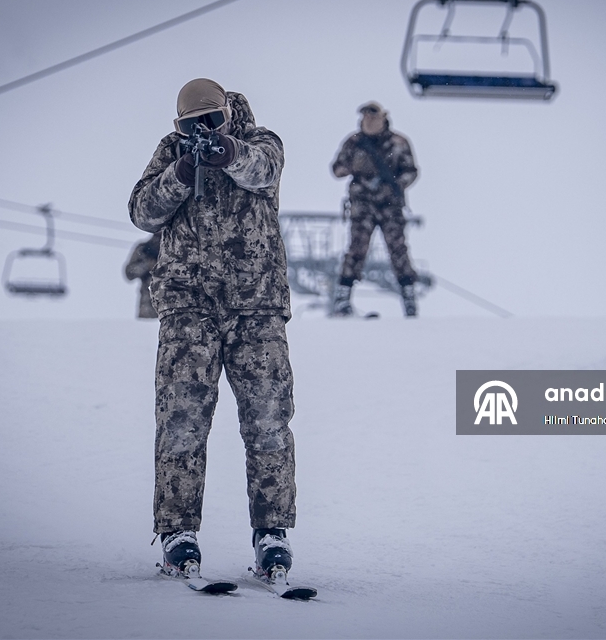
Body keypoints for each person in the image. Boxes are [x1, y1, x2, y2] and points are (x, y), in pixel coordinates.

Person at [128, 78, 298, 583]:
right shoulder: (170, 153)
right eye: (190, 125)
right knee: (181, 420)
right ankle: (178, 533)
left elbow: (263, 172)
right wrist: (181, 170)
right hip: (188, 304)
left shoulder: (262, 141)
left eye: (211, 121)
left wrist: (225, 150)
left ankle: (273, 535)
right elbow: (142, 210)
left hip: (257, 306)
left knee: (269, 422)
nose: (201, 132)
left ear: (229, 114)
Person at [330, 101, 420, 317]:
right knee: (356, 250)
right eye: (364, 117)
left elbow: (411, 171)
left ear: (383, 118)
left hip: (390, 206)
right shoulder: (354, 143)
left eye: (372, 116)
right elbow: (337, 169)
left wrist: (394, 185)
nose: (368, 120)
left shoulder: (399, 143)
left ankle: (409, 300)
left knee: (398, 250)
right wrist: (355, 167)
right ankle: (342, 299)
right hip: (362, 205)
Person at [123, 231, 162, 319]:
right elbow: (129, 273)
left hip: (170, 302)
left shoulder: (174, 246)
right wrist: (146, 265)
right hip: (147, 304)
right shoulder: (144, 248)